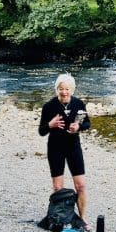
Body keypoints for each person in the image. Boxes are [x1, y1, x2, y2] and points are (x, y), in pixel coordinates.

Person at [38, 73, 90, 221]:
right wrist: (50, 124)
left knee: (80, 186)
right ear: (57, 89)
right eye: (61, 89)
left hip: (73, 147)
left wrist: (78, 126)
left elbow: (87, 123)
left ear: (72, 89)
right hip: (55, 148)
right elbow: (41, 131)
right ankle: (59, 218)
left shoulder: (79, 104)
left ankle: (83, 218)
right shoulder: (49, 106)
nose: (64, 92)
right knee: (57, 187)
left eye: (67, 89)